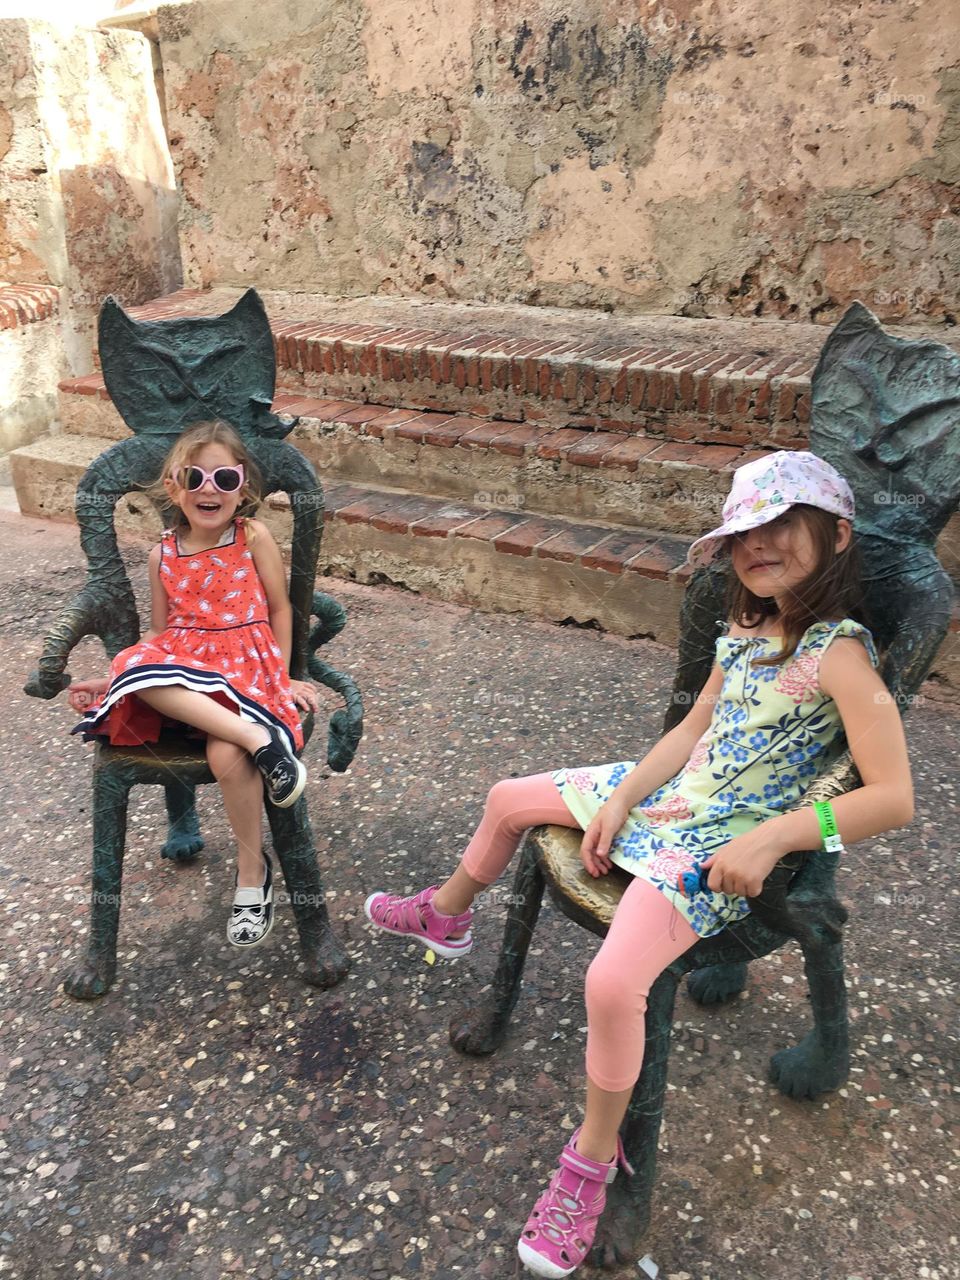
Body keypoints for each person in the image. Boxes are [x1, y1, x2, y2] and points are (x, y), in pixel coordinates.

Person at [363, 450, 914, 1278]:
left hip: (724, 837)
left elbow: (895, 797)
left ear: (837, 536)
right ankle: (447, 913)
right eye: (743, 533)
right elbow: (691, 733)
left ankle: (589, 1165)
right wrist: (620, 799)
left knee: (612, 983)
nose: (757, 545)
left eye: (779, 524)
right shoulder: (746, 633)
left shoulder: (841, 655)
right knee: (511, 798)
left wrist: (775, 839)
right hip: (670, 799)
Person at [68, 420, 320, 949]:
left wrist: (289, 672)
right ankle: (262, 742)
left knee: (227, 754)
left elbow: (280, 606)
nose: (210, 488)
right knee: (139, 668)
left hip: (248, 668)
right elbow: (160, 633)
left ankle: (252, 876)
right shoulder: (163, 554)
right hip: (188, 668)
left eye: (225, 478)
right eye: (196, 476)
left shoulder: (253, 537)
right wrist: (114, 677)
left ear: (242, 488)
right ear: (174, 486)